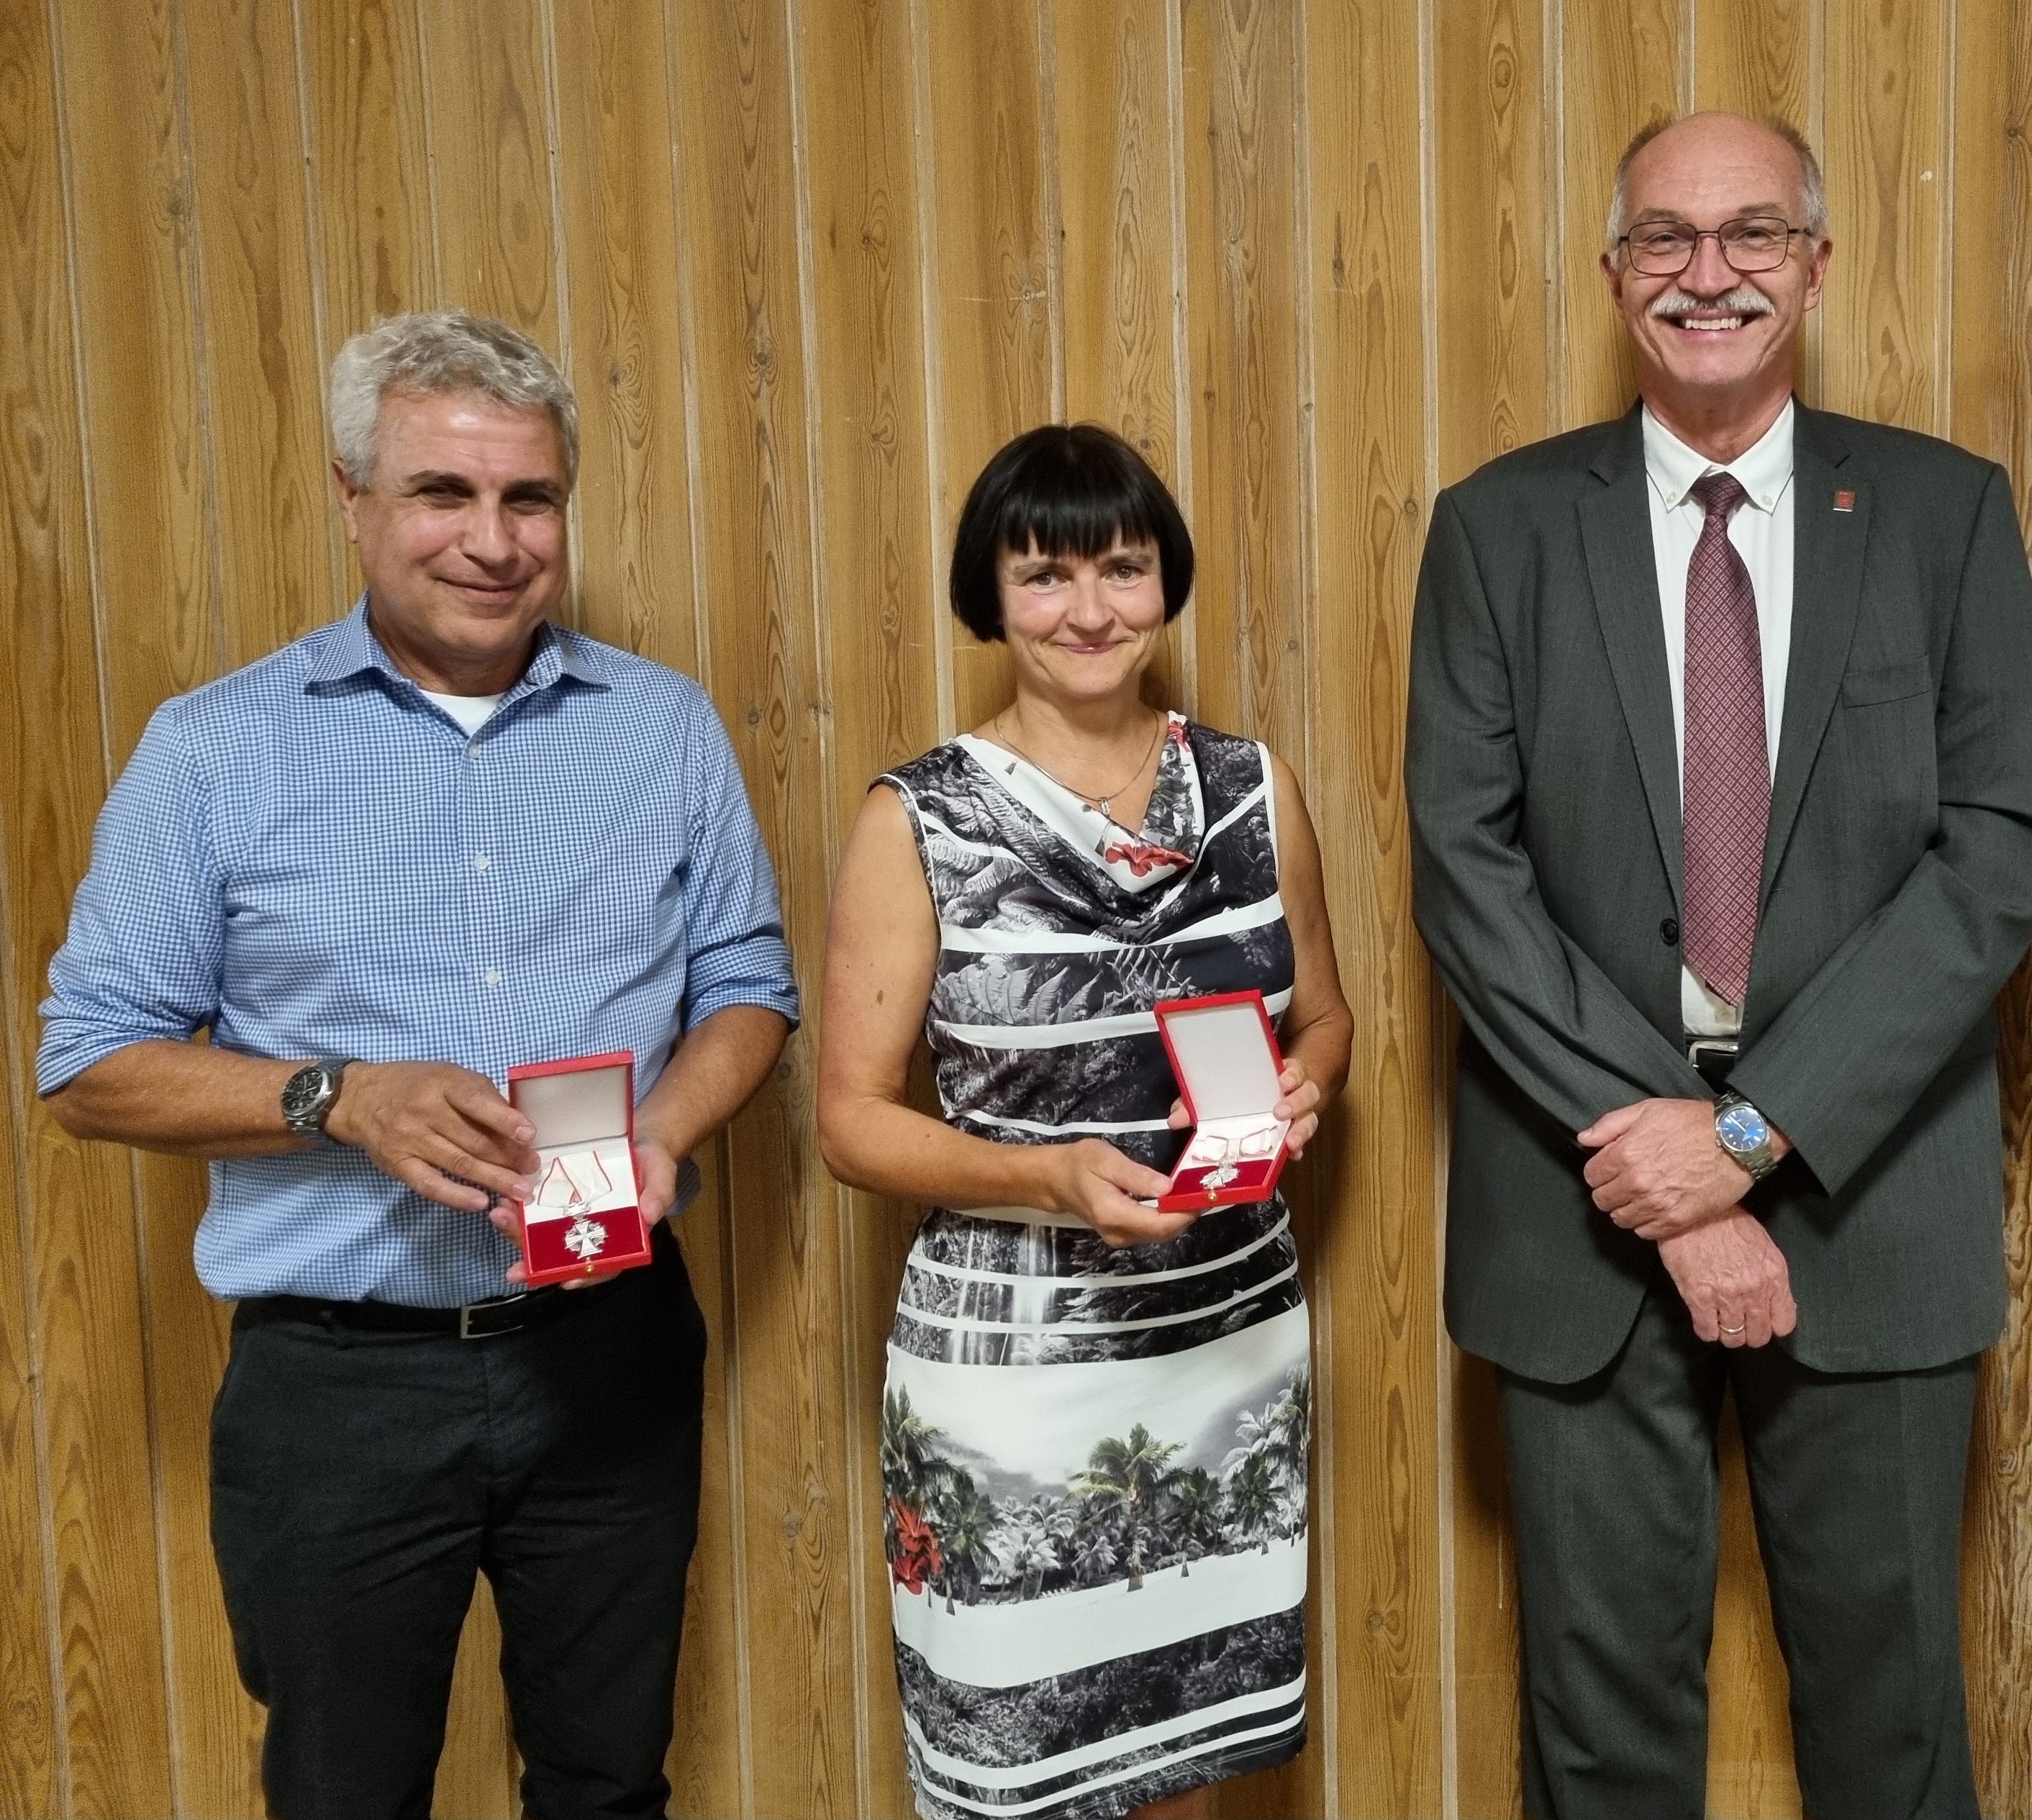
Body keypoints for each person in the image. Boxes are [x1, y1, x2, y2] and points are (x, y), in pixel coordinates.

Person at [37, 310, 797, 1820]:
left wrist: (667, 1130)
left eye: (531, 500)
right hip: (337, 1383)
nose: (494, 541)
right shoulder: (214, 749)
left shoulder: (663, 727)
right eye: (446, 495)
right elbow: (90, 1062)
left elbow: (748, 984)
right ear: (354, 497)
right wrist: (337, 1097)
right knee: (343, 1792)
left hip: (611, 1352)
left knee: (607, 1780)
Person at [1406, 111, 2032, 1818]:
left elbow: (1996, 853)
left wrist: (1757, 1131)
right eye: (1667, 239)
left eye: (1754, 234)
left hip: (1868, 1189)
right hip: (1582, 1201)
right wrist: (1676, 1169)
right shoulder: (1497, 527)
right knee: (1600, 1729)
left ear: (1818, 264)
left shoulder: (1941, 512)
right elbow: (1466, 874)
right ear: (1615, 270)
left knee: (1892, 1719)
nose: (1710, 273)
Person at [817, 424, 1351, 1820]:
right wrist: (1045, 1177)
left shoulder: (1252, 787)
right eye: (1045, 575)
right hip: (1016, 1366)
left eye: (1124, 568)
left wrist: (1312, 1083)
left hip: (1226, 1336)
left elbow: (1329, 1017)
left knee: (1181, 1751)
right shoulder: (917, 819)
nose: (1091, 609)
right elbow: (851, 1125)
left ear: (1167, 582)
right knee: (1019, 1765)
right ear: (987, 597)